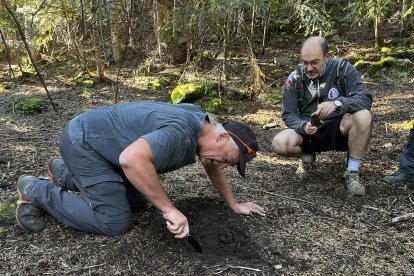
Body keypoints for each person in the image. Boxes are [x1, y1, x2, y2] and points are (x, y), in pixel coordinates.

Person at [16, 101, 265, 237]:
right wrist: (169, 209)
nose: (223, 165)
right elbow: (132, 159)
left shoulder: (203, 125)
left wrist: (233, 204)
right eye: (229, 160)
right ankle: (35, 189)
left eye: (229, 166)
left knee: (138, 201)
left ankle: (64, 173)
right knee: (114, 222)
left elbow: (212, 164)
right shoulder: (180, 133)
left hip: (101, 146)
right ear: (223, 138)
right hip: (84, 144)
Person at [272, 36, 373, 196]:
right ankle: (306, 156)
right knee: (280, 142)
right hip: (307, 130)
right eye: (305, 63)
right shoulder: (296, 77)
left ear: (327, 57)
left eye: (314, 62)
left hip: (337, 128)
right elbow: (288, 114)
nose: (309, 68)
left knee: (363, 116)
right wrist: (302, 126)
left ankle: (352, 173)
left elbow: (364, 98)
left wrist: (337, 104)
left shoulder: (343, 69)